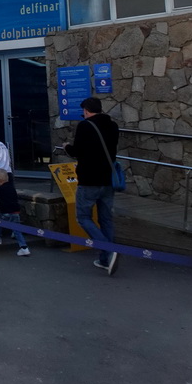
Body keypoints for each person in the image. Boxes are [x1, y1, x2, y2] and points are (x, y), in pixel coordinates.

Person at [63, 97, 120, 276]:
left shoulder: (85, 126)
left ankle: (109, 251)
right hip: (108, 179)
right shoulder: (113, 126)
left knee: (83, 217)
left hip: (89, 179)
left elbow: (78, 151)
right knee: (106, 219)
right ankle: (106, 259)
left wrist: (67, 147)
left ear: (87, 110)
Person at [0, 123, 30, 256]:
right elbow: (8, 159)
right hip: (7, 173)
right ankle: (14, 229)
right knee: (10, 198)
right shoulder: (3, 145)